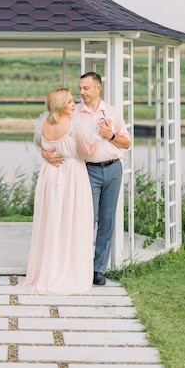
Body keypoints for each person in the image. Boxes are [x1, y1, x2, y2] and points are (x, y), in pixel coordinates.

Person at [41, 72, 131, 286]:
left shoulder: (112, 112)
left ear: (98, 88)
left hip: (113, 169)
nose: (81, 92)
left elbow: (126, 143)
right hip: (86, 171)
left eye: (86, 88)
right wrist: (45, 153)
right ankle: (77, 266)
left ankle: (98, 270)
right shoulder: (72, 113)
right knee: (83, 220)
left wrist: (110, 135)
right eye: (80, 88)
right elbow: (51, 135)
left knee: (107, 221)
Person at [20, 87, 94, 295]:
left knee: (50, 222)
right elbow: (86, 154)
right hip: (71, 176)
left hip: (49, 175)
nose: (74, 104)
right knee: (72, 222)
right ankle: (67, 271)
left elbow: (39, 145)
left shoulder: (43, 125)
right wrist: (98, 138)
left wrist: (45, 152)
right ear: (61, 105)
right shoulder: (74, 125)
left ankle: (47, 270)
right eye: (70, 101)